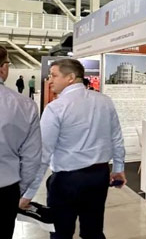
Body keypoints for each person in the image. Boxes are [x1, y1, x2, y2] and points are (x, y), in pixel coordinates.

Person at [21, 58, 126, 239]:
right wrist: (118, 169)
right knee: (93, 231)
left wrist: (28, 193)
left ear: (70, 77)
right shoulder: (105, 101)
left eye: (54, 75)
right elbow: (116, 137)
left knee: (61, 232)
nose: (49, 80)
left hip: (67, 181)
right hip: (99, 177)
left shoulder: (55, 108)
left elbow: (43, 154)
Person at [0, 47, 41, 238]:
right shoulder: (25, 105)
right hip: (5, 190)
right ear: (3, 68)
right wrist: (19, 189)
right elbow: (32, 158)